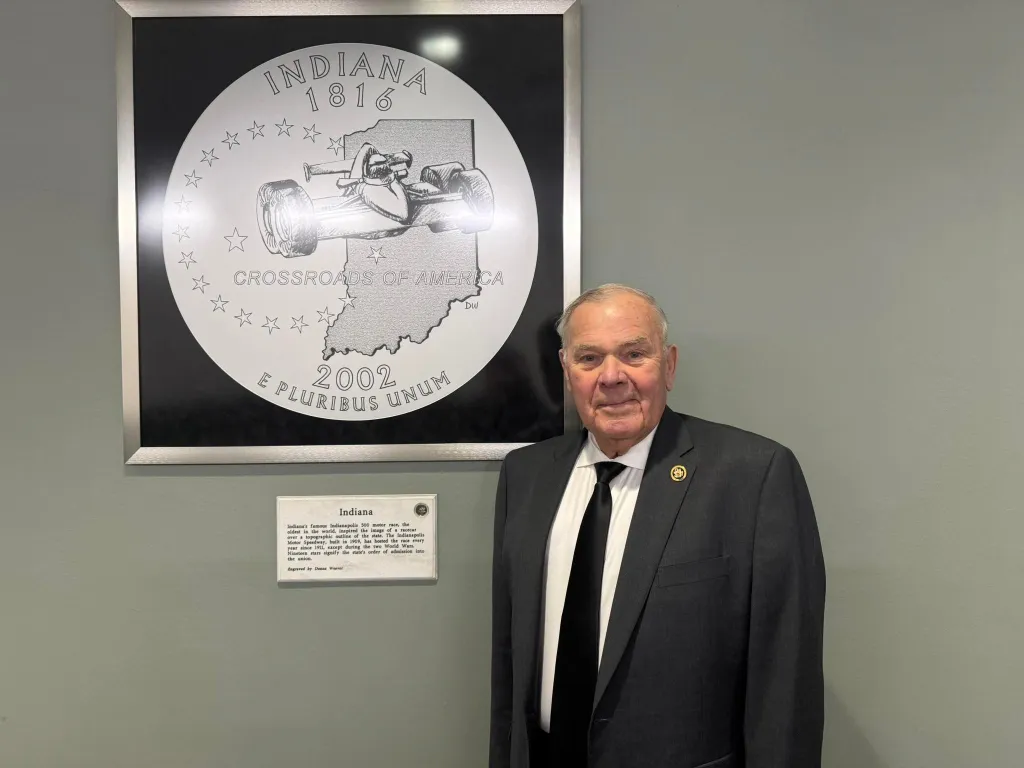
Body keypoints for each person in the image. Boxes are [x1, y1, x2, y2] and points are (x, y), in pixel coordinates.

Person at [489, 284, 826, 768]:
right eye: (589, 358)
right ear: (566, 371)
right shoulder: (525, 475)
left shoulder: (754, 475)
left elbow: (785, 679)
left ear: (668, 365)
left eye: (633, 354)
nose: (611, 377)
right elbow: (509, 660)